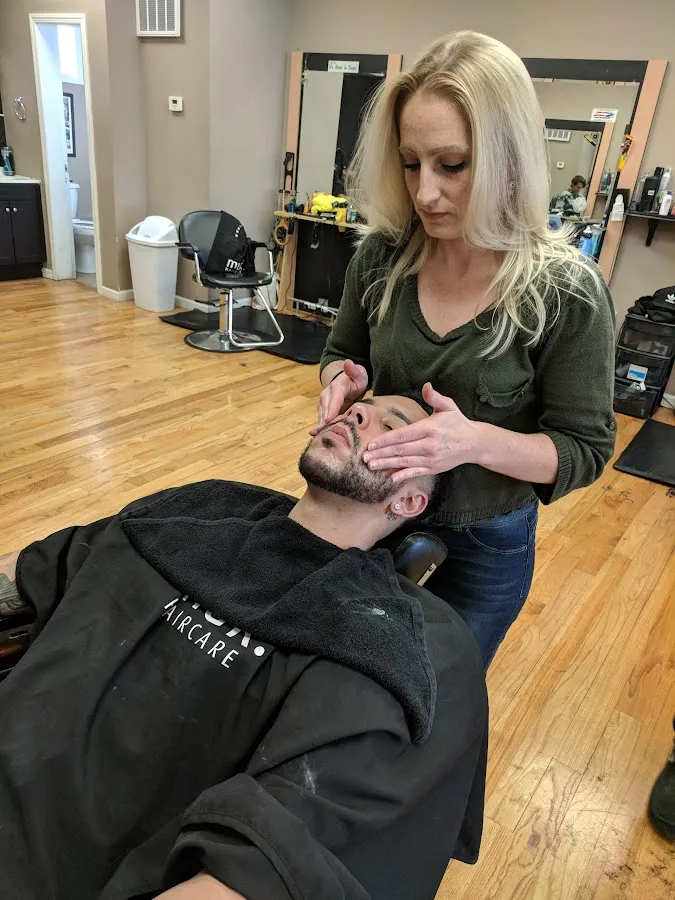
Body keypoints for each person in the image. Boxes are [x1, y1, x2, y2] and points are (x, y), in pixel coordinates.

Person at [0, 393, 487, 900]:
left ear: (408, 502)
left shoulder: (382, 645)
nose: (357, 412)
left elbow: (267, 860)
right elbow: (37, 567)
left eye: (392, 426)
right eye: (360, 406)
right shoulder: (203, 507)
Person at [316, 32, 616, 668]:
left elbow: (584, 450)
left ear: (509, 159)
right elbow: (340, 351)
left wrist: (472, 442)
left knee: (439, 692)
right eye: (410, 163)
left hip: (486, 545)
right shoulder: (383, 257)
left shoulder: (566, 293)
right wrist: (339, 378)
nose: (425, 193)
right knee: (345, 681)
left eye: (452, 165)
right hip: (372, 513)